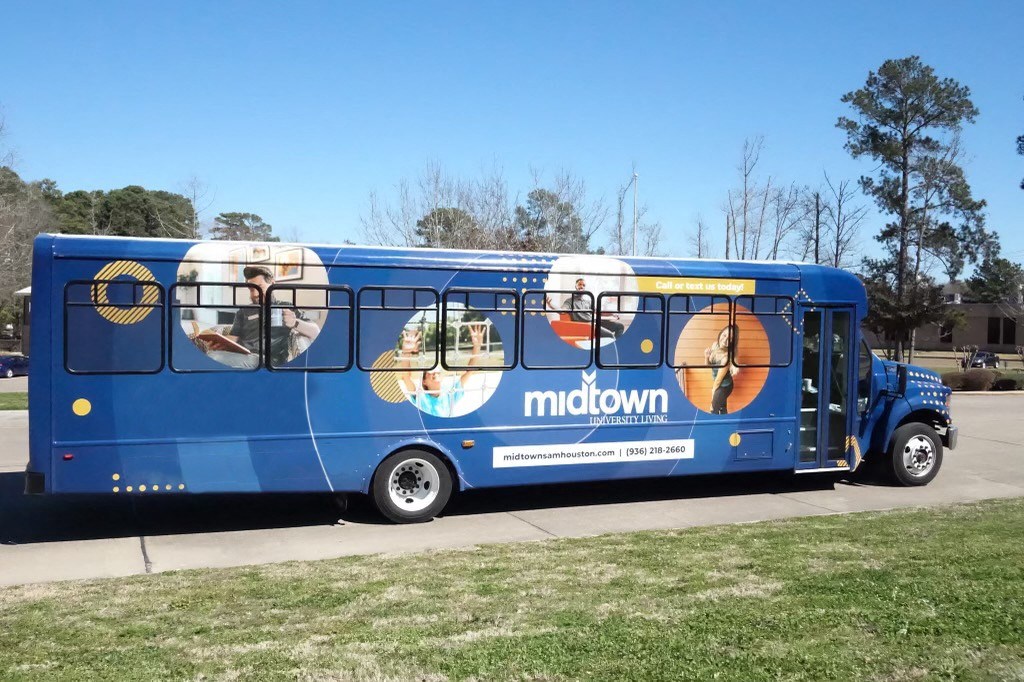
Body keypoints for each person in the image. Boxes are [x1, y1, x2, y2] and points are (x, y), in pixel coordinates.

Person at [204, 265, 321, 368]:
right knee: (212, 354)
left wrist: (295, 322)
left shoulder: (286, 307)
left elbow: (315, 332)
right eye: (251, 289)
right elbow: (233, 338)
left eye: (259, 288)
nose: (255, 294)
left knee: (215, 358)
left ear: (272, 284)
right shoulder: (243, 311)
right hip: (243, 356)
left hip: (269, 360)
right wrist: (219, 343)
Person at [397, 322, 487, 418]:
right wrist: (406, 352)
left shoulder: (450, 393)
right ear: (424, 382)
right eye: (430, 371)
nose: (434, 372)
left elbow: (470, 371)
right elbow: (406, 377)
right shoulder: (421, 396)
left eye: (437, 370)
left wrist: (477, 347)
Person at [560, 278, 624, 339]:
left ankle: (617, 345)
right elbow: (563, 310)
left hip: (594, 323)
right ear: (575, 286)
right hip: (586, 326)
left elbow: (598, 311)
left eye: (583, 285)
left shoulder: (587, 301)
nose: (582, 286)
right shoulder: (570, 301)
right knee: (610, 335)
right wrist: (555, 308)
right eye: (579, 284)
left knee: (620, 326)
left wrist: (612, 314)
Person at [706, 324, 740, 414]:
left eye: (730, 339)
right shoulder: (715, 345)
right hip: (719, 384)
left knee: (713, 410)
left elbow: (718, 380)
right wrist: (706, 357)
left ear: (732, 342)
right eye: (724, 335)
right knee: (722, 408)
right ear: (721, 333)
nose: (725, 340)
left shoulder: (726, 358)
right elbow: (709, 366)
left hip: (725, 386)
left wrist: (713, 394)